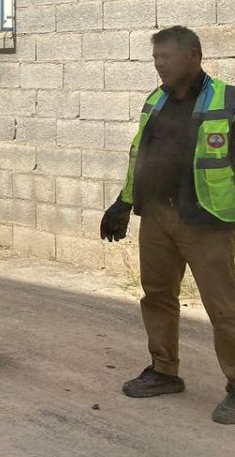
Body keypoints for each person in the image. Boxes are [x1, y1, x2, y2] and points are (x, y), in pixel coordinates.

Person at [100, 26, 235, 425]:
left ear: (193, 56)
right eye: (156, 57)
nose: (159, 64)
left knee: (225, 307)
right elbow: (139, 156)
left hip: (209, 221)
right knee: (156, 295)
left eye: (167, 57)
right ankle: (163, 371)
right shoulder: (155, 100)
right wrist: (122, 204)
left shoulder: (228, 100)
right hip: (157, 216)